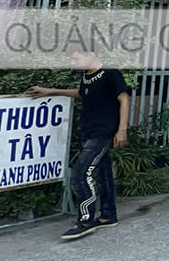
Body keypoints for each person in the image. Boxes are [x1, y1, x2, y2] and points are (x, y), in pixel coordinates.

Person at [28, 50, 130, 241]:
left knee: (80, 174)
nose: (73, 62)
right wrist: (51, 91)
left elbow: (123, 99)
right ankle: (108, 215)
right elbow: (82, 93)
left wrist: (122, 130)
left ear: (91, 54)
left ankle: (85, 221)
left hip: (102, 132)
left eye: (76, 58)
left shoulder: (110, 73)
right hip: (89, 131)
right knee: (103, 173)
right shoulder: (87, 76)